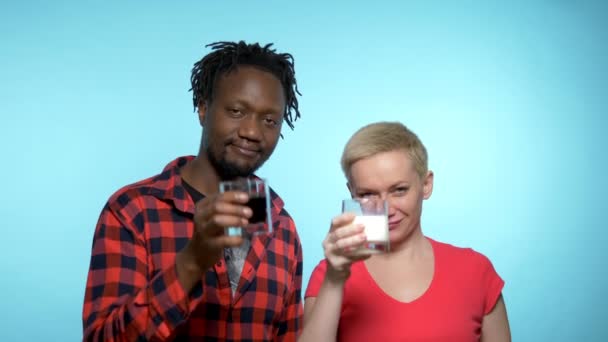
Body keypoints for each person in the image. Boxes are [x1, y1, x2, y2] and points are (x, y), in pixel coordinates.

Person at [82, 41, 304, 341]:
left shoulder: (283, 229)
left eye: (269, 120)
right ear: (202, 108)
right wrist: (192, 262)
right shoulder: (132, 212)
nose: (252, 132)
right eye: (237, 111)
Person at [300, 122, 511, 341]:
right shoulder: (330, 274)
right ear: (351, 193)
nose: (386, 210)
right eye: (368, 194)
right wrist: (335, 278)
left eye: (399, 190)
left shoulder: (476, 271)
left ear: (426, 184)